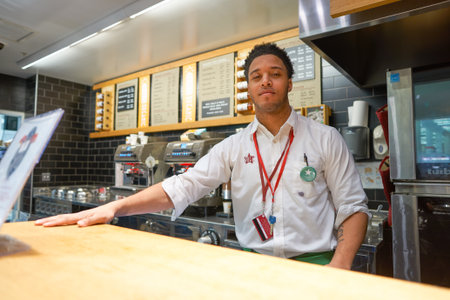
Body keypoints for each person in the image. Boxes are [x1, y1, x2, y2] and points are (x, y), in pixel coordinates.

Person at [36, 43, 369, 269]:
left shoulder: (326, 138)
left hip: (317, 263)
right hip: (253, 263)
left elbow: (353, 208)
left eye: (275, 73)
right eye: (256, 76)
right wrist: (114, 207)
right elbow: (183, 186)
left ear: (289, 83)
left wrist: (338, 266)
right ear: (249, 88)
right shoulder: (234, 146)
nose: (266, 80)